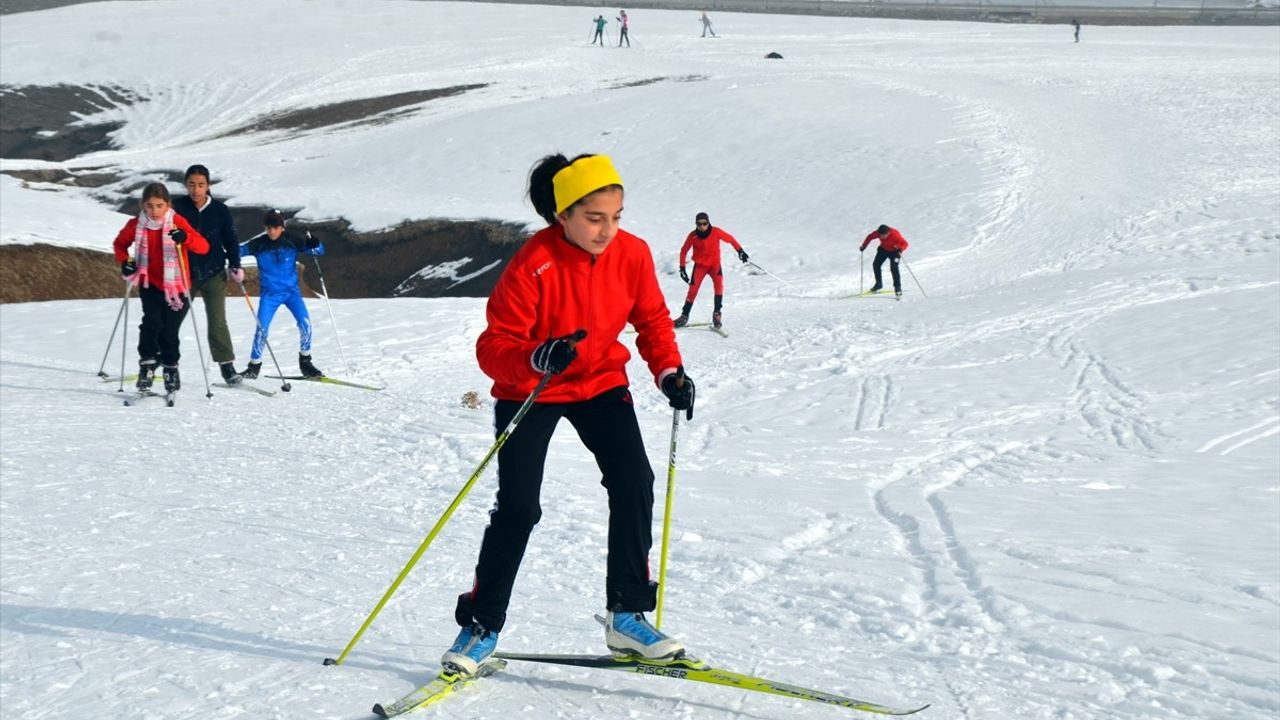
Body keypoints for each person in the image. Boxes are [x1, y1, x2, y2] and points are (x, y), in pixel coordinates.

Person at [441, 153, 696, 677]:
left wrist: (669, 372)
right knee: (519, 507)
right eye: (594, 217)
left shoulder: (633, 255)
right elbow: (495, 345)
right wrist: (537, 356)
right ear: (563, 215)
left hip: (601, 382)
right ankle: (481, 626)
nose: (607, 230)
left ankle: (626, 615)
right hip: (531, 388)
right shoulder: (533, 262)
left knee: (634, 482)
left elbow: (651, 322)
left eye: (617, 216)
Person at [112, 182, 210, 392]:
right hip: (150, 282)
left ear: (168, 205)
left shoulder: (176, 222)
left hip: (176, 285)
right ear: (143, 205)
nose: (154, 211)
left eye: (159, 206)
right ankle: (147, 365)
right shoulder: (136, 224)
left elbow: (203, 247)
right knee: (151, 323)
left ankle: (170, 368)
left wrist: (185, 238)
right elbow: (119, 244)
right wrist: (126, 261)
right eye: (149, 206)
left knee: (169, 330)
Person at [173, 164, 245, 385]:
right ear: (186, 185)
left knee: (217, 321)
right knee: (172, 320)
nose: (196, 190)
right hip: (184, 273)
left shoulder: (220, 210)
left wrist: (235, 264)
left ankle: (227, 367)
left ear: (208, 186)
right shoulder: (176, 208)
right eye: (192, 184)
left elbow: (230, 240)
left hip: (214, 272)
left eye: (201, 185)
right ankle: (167, 364)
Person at [238, 209, 325, 380]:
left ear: (282, 227)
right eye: (269, 227)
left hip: (292, 293)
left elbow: (317, 251)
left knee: (305, 325)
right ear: (265, 227)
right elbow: (238, 251)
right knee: (262, 330)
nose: (272, 231)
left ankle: (305, 363)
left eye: (276, 227)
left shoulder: (291, 240)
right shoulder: (259, 243)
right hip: (270, 295)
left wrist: (316, 243)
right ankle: (253, 367)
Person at [674, 212, 748, 329]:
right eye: (699, 224)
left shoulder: (716, 232)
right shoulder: (693, 236)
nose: (702, 226)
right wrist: (682, 268)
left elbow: (730, 239)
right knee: (693, 290)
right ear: (696, 224)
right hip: (700, 266)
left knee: (719, 287)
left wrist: (740, 251)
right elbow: (684, 250)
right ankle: (684, 316)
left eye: (704, 223)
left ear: (708, 223)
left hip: (714, 266)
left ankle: (717, 314)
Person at [859, 224, 909, 297]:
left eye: (884, 235)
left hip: (895, 252)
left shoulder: (895, 234)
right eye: (880, 235)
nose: (882, 237)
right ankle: (878, 284)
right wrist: (864, 246)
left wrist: (900, 249)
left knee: (894, 268)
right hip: (883, 250)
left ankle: (897, 287)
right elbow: (870, 237)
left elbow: (905, 243)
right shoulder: (878, 233)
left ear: (888, 232)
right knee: (876, 264)